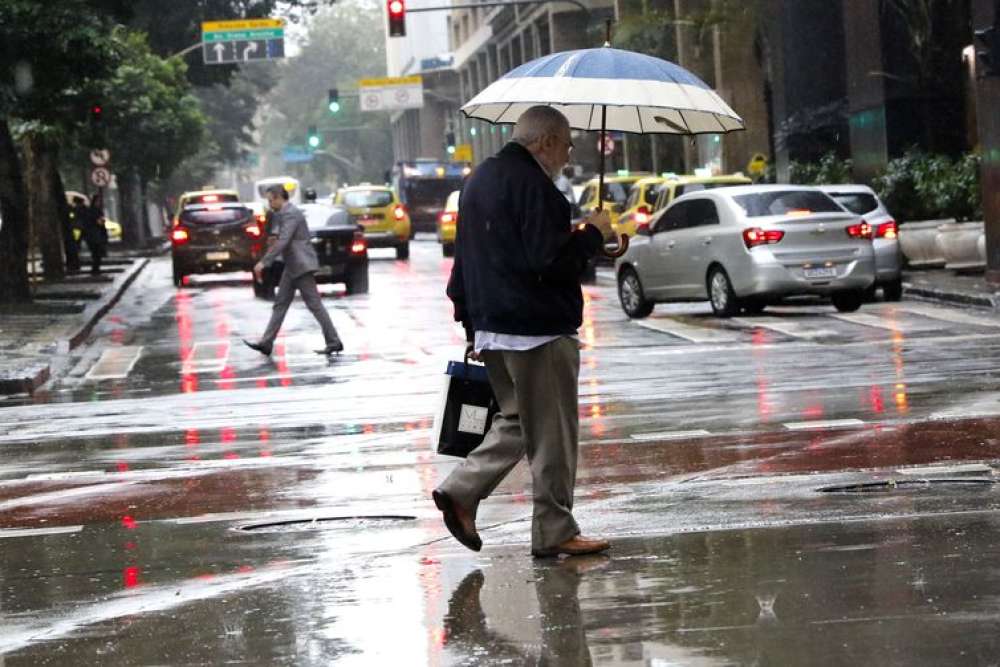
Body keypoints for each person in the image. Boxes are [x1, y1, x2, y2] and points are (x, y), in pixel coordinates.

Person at [432, 105, 615, 558]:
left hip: (494, 329)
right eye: (568, 145)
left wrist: (472, 324)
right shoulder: (539, 189)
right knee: (552, 434)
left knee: (516, 421)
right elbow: (548, 263)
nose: (568, 155)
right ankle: (554, 529)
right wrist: (592, 235)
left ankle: (462, 489)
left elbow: (466, 262)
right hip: (538, 331)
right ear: (547, 141)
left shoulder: (477, 182)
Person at [243, 184, 344, 357]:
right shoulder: (282, 214)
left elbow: (284, 241)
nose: (269, 204)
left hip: (301, 265)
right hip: (293, 265)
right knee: (280, 305)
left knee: (315, 305)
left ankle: (334, 341)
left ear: (278, 197)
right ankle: (266, 343)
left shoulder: (290, 213)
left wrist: (264, 262)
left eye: (270, 200)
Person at [80, 191, 108, 275]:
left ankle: (95, 269)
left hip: (91, 235)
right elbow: (100, 222)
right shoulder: (96, 211)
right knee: (97, 253)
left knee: (95, 253)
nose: (99, 203)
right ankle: (95, 270)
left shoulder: (89, 211)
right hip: (95, 235)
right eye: (98, 201)